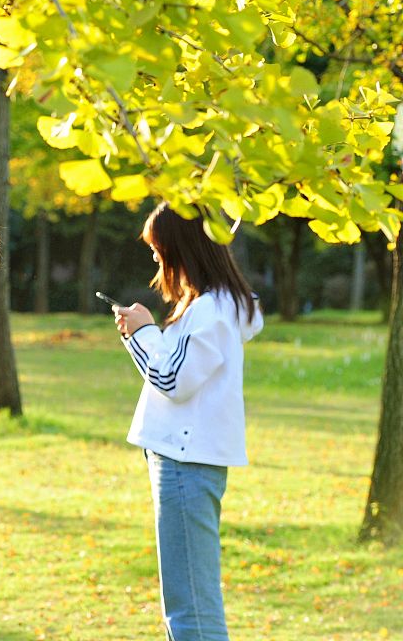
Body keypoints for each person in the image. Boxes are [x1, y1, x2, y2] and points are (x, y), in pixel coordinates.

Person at [111, 204, 263, 641]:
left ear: (185, 251)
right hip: (182, 459)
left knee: (190, 605)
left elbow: (172, 378)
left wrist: (141, 331)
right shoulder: (210, 307)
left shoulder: (211, 312)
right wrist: (140, 334)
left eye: (161, 252)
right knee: (186, 599)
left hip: (185, 461)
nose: (157, 262)